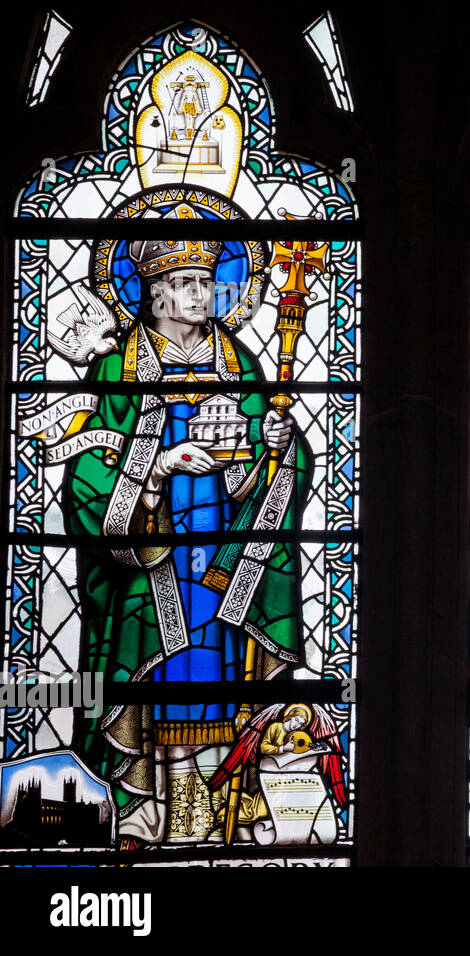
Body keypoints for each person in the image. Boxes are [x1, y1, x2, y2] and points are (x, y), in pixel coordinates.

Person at [65, 203, 311, 843]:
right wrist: (158, 464)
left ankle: (226, 798)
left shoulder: (240, 361)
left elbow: (269, 464)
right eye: (184, 283)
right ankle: (159, 802)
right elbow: (86, 462)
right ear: (153, 292)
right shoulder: (119, 367)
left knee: (225, 667)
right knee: (160, 667)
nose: (200, 294)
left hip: (225, 555)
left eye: (207, 281)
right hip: (153, 552)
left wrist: (276, 445)